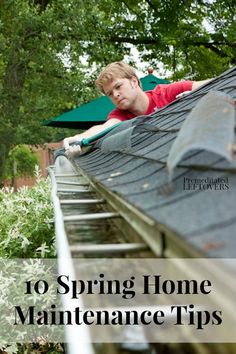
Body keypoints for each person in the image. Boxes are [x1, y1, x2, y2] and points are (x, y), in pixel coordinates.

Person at [63, 61, 211, 158]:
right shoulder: (120, 115)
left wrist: (196, 96)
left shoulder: (168, 93)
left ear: (134, 81)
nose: (115, 94)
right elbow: (104, 128)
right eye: (110, 93)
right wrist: (79, 139)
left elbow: (216, 83)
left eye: (118, 86)